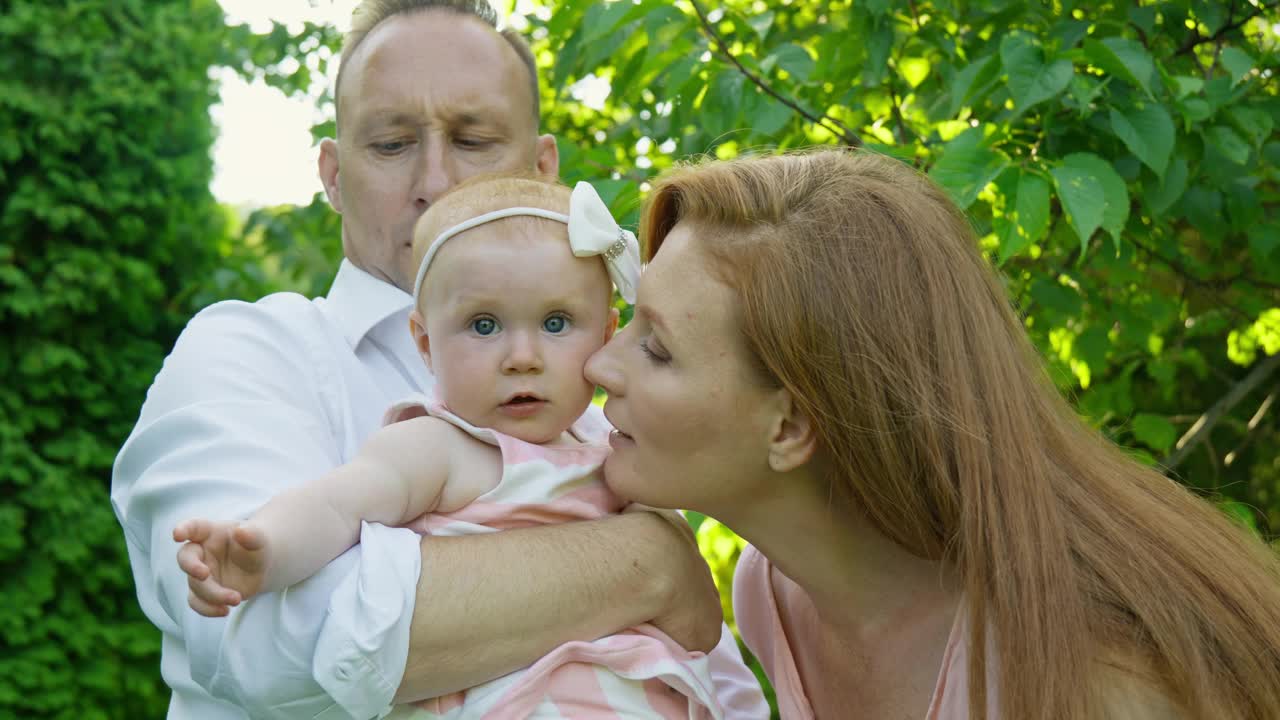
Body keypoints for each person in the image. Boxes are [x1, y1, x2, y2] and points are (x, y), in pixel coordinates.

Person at [111, 2, 766, 717]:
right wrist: (652, 564)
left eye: (475, 139)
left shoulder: (606, 393)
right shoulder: (251, 351)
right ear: (332, 174)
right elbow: (263, 641)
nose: (434, 179)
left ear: (544, 169)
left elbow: (705, 666)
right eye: (391, 144)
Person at [584, 148, 1280, 719]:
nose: (598, 364)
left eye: (657, 349)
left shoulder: (1102, 685)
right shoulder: (775, 593)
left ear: (792, 426)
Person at [172, 174, 730, 719]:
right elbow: (335, 505)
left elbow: (694, 609)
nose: (522, 356)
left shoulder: (615, 453)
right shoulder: (439, 448)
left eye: (556, 323)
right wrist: (264, 548)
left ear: (607, 336)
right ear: (425, 342)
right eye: (484, 326)